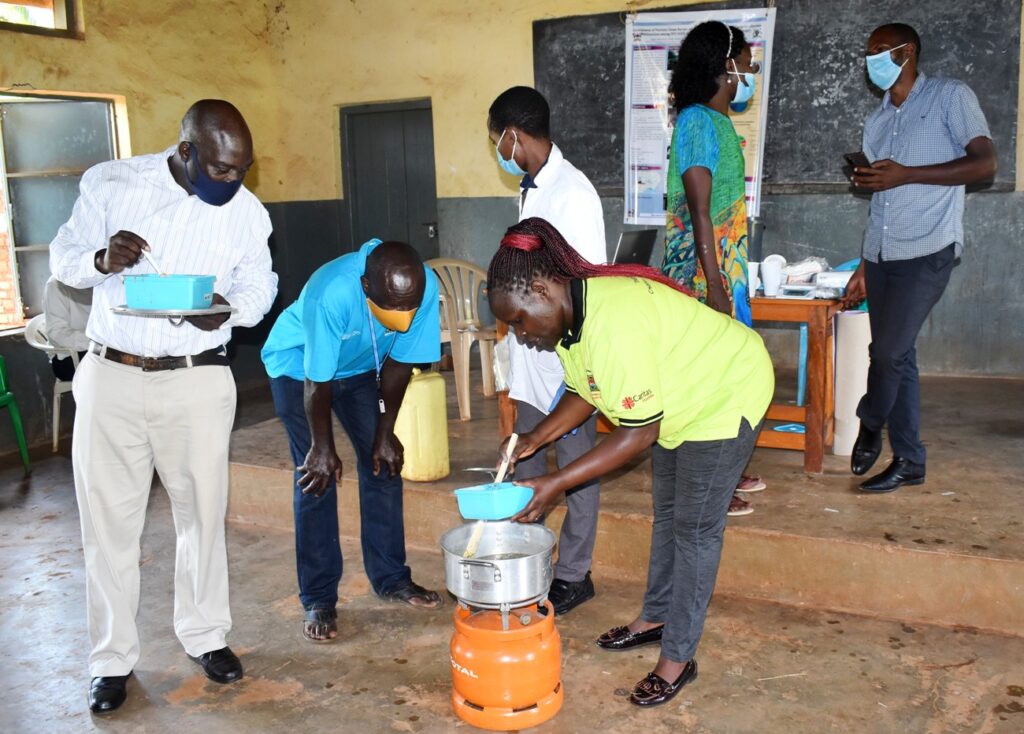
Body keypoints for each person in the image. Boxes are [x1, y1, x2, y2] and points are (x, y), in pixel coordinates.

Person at [49, 100, 278, 713]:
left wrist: (226, 307)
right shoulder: (112, 184)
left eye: (243, 169)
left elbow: (262, 284)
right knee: (107, 526)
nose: (234, 181)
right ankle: (111, 660)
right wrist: (102, 260)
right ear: (186, 152)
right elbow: (64, 256)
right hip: (112, 375)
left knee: (202, 515)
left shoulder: (245, 213)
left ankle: (206, 636)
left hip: (195, 379)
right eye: (223, 170)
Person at [488, 217, 773, 707]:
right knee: (668, 519)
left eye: (518, 321)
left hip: (725, 393)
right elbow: (585, 389)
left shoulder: (612, 322)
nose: (520, 335)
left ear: (542, 287)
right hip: (679, 399)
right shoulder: (573, 316)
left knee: (696, 531)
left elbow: (639, 432)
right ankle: (656, 617)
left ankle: (678, 657)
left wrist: (556, 482)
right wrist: (535, 436)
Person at [261, 239, 443, 644]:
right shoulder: (334, 291)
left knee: (384, 463)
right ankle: (319, 597)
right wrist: (321, 447)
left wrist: (385, 432)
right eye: (393, 307)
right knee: (317, 476)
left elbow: (400, 361)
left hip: (362, 369)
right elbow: (317, 380)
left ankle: (391, 578)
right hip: (299, 369)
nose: (404, 314)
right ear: (366, 287)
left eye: (409, 305)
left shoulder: (423, 285)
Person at [842, 23, 996, 493]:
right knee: (899, 355)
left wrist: (907, 174)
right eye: (868, 53)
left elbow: (985, 164)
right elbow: (881, 198)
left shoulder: (951, 96)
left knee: (886, 352)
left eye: (880, 51)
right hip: (883, 252)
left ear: (907, 52)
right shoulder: (878, 120)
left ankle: (870, 421)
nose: (873, 60)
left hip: (930, 247)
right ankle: (909, 460)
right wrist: (866, 263)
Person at [487, 86, 606, 615]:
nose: (499, 151)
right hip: (531, 357)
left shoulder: (573, 193)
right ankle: (529, 556)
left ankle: (575, 573)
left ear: (513, 135)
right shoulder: (532, 188)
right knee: (528, 454)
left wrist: (570, 373)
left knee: (576, 466)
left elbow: (585, 286)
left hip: (564, 361)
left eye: (497, 141)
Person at [662, 21, 765, 516]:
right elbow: (700, 211)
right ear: (726, 65)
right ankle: (711, 489)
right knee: (709, 380)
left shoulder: (718, 123)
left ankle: (725, 470)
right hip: (704, 278)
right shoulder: (697, 122)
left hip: (726, 270)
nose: (749, 71)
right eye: (746, 62)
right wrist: (718, 291)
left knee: (728, 377)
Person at [42, 275, 92, 379]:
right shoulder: (56, 286)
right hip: (68, 358)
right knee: (117, 370)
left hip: (93, 351)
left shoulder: (96, 282)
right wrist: (96, 341)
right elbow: (57, 335)